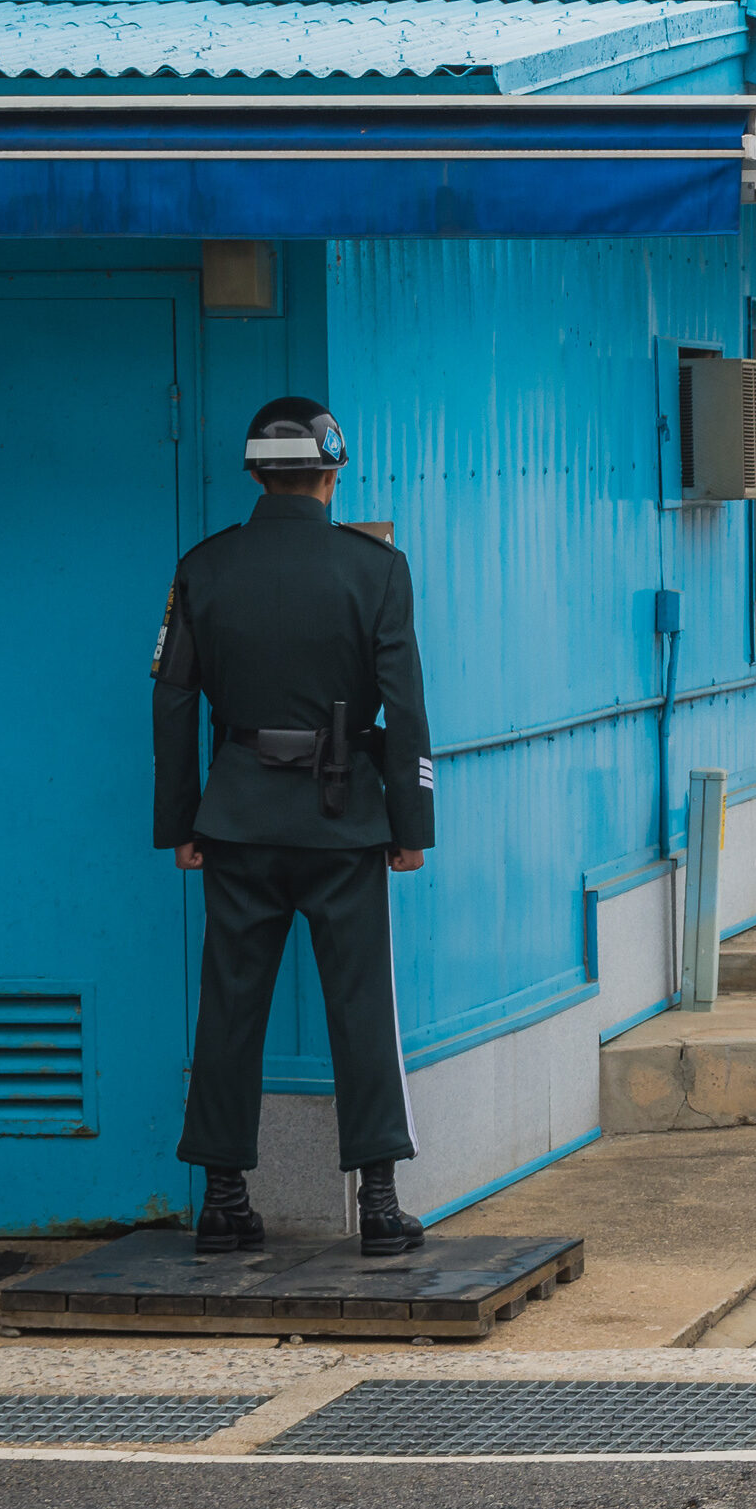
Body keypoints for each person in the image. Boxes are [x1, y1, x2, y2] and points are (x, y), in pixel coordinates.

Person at [152, 395, 437, 1258]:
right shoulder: (376, 569)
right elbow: (406, 707)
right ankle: (380, 1203)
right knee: (361, 1005)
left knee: (230, 1005)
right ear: (332, 470)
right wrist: (410, 822)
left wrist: (181, 824)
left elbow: (170, 702)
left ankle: (225, 1199)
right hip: (343, 814)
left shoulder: (204, 567)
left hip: (236, 814)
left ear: (253, 473)